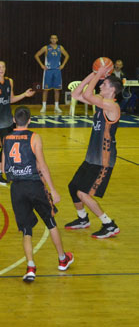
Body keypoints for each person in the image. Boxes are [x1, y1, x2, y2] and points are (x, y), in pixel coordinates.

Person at [2, 106, 74, 282]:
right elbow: (42, 165)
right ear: (29, 120)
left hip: (17, 189)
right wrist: (53, 189)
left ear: (14, 120)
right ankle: (62, 259)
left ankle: (30, 266)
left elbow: (4, 169)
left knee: (26, 230)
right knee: (50, 222)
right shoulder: (34, 137)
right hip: (34, 185)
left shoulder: (6, 138)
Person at [65, 67, 123, 238]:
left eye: (104, 84)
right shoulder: (100, 103)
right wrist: (93, 73)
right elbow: (76, 94)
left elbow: (88, 94)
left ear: (112, 90)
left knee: (83, 193)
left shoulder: (111, 106)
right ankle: (83, 219)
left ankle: (109, 224)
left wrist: (98, 74)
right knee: (73, 186)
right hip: (92, 157)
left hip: (103, 159)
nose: (100, 86)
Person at [0, 61, 35, 185]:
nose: (2, 69)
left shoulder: (9, 81)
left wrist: (24, 94)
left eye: (3, 67)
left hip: (8, 119)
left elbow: (11, 99)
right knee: (5, 147)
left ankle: (8, 171)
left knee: (10, 145)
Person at [34, 34, 69, 114]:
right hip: (48, 71)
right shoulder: (46, 48)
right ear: (50, 39)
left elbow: (67, 55)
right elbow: (36, 55)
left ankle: (56, 107)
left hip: (57, 70)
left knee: (57, 90)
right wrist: (42, 65)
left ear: (57, 39)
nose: (53, 40)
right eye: (52, 38)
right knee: (45, 90)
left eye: (55, 38)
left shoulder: (60, 48)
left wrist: (63, 65)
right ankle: (44, 107)